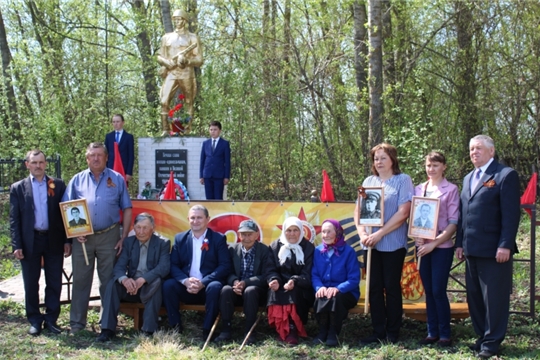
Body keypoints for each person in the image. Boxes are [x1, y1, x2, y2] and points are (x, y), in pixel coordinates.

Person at [456, 135, 520, 359]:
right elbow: (464, 214)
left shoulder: (505, 175)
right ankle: (482, 337)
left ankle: (492, 343)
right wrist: (459, 243)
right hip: (471, 249)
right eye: (471, 149)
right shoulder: (467, 178)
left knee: (494, 299)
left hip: (495, 251)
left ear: (491, 151)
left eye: (479, 148)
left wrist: (505, 245)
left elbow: (511, 215)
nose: (474, 152)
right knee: (474, 297)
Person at [62, 142, 133, 334]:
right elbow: (67, 207)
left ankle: (107, 323)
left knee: (108, 281)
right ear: (86, 158)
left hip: (109, 236)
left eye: (99, 155)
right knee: (81, 280)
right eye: (92, 155)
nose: (95, 158)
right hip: (82, 239)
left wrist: (123, 236)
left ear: (106, 157)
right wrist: (76, 232)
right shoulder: (77, 180)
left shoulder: (116, 179)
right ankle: (77, 323)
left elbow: (126, 208)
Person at [354, 143, 413, 344]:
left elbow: (403, 213)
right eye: (376, 159)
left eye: (383, 158)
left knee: (391, 286)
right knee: (374, 287)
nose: (379, 162)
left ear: (392, 160)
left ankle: (393, 331)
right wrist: (362, 233)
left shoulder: (402, 180)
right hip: (370, 245)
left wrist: (380, 234)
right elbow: (358, 211)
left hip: (392, 244)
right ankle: (378, 330)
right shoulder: (368, 181)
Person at [9, 149, 71, 336]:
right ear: (27, 164)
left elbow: (65, 214)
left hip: (53, 240)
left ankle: (51, 319)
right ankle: (35, 319)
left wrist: (67, 240)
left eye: (41, 162)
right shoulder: (18, 188)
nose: (38, 166)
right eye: (34, 162)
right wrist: (16, 244)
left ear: (45, 164)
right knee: (31, 282)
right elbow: (14, 219)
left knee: (54, 281)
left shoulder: (57, 185)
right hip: (30, 241)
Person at [97, 213, 171, 342]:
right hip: (132, 287)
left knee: (157, 282)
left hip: (149, 285)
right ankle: (107, 330)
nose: (141, 232)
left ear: (152, 228)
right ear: (134, 228)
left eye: (145, 228)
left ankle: (148, 331)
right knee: (113, 283)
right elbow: (119, 267)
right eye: (138, 227)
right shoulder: (129, 242)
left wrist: (143, 279)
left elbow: (163, 267)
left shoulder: (162, 243)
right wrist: (125, 280)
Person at [162, 205, 231, 340]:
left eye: (199, 217)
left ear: (207, 219)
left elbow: (224, 266)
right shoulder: (180, 238)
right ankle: (175, 328)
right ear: (188, 219)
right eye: (192, 218)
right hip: (186, 286)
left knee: (216, 286)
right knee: (168, 285)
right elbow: (173, 265)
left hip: (207, 287)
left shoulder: (218, 239)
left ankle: (207, 330)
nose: (196, 221)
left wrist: (203, 282)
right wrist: (186, 281)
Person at [414, 151, 459, 347]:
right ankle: (431, 332)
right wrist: (416, 235)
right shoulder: (419, 189)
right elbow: (415, 219)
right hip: (423, 247)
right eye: (428, 165)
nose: (431, 169)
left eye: (435, 165)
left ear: (444, 167)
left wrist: (434, 243)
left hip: (442, 247)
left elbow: (453, 223)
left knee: (439, 290)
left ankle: (445, 334)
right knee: (429, 291)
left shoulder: (451, 190)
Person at [214, 220, 269, 345]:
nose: (246, 237)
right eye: (243, 234)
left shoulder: (264, 250)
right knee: (226, 290)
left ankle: (249, 330)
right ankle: (226, 329)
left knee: (250, 290)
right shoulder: (233, 249)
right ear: (239, 235)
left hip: (256, 291)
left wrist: (246, 283)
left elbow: (266, 275)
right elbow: (227, 271)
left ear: (256, 235)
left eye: (250, 234)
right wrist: (234, 282)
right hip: (236, 288)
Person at [266, 217, 315, 345]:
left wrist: (294, 280)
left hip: (301, 285)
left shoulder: (308, 247)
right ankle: (281, 328)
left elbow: (308, 272)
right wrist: (274, 280)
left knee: (294, 292)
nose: (292, 234)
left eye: (295, 230)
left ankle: (293, 329)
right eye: (288, 230)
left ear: (301, 232)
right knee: (274, 290)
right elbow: (270, 269)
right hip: (281, 283)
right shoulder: (275, 246)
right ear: (284, 231)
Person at [312, 219, 360, 347]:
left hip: (346, 293)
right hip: (325, 289)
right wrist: (319, 287)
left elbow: (354, 279)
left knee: (335, 298)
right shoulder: (317, 251)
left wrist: (338, 288)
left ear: (337, 233)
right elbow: (314, 274)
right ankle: (322, 331)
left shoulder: (349, 251)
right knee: (321, 296)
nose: (325, 235)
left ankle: (333, 332)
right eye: (323, 232)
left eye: (329, 232)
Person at [157, 9, 204, 134]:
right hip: (171, 72)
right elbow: (160, 56)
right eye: (175, 20)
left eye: (180, 19)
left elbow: (199, 59)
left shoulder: (192, 38)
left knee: (189, 101)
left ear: (185, 21)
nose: (177, 22)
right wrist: (166, 63)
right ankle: (165, 130)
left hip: (186, 73)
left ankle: (188, 130)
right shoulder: (166, 37)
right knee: (164, 100)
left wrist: (187, 61)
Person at [199, 121, 231, 200]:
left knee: (218, 198)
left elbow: (227, 161)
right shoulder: (205, 143)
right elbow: (202, 160)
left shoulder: (224, 144)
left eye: (215, 129)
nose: (213, 132)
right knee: (209, 199)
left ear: (220, 131)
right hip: (207, 175)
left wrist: (226, 176)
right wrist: (201, 175)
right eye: (211, 129)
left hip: (219, 176)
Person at [104, 114, 135, 182]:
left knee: (122, 190)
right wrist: (104, 170)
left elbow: (131, 156)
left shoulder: (128, 137)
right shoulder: (109, 136)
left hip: (123, 169)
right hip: (110, 169)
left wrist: (129, 172)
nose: (115, 124)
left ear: (123, 122)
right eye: (114, 122)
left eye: (118, 121)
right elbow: (105, 155)